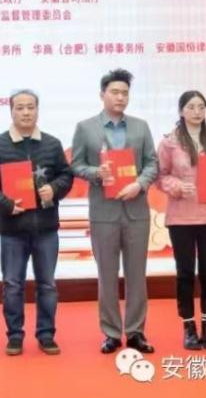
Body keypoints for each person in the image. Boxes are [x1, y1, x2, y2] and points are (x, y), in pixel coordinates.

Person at [70, 69, 158, 354]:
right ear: (102, 95)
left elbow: (152, 163)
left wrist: (139, 184)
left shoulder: (140, 127)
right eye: (115, 92)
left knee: (137, 275)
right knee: (107, 275)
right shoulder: (86, 128)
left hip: (136, 210)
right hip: (104, 212)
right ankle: (110, 332)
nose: (120, 97)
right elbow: (76, 165)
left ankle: (135, 332)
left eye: (125, 93)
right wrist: (97, 172)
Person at [0, 89, 73, 356]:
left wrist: (54, 189)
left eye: (30, 107)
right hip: (12, 229)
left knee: (47, 285)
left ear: (37, 110)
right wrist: (6, 205)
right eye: (20, 107)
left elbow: (66, 176)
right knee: (12, 285)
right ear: (11, 111)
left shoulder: (52, 144)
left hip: (46, 228)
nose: (25, 112)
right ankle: (14, 335)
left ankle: (46, 334)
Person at [155, 91, 206, 350]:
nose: (197, 112)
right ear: (181, 111)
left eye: (201, 107)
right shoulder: (169, 143)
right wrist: (175, 186)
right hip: (181, 216)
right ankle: (188, 326)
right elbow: (159, 175)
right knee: (185, 273)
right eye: (191, 107)